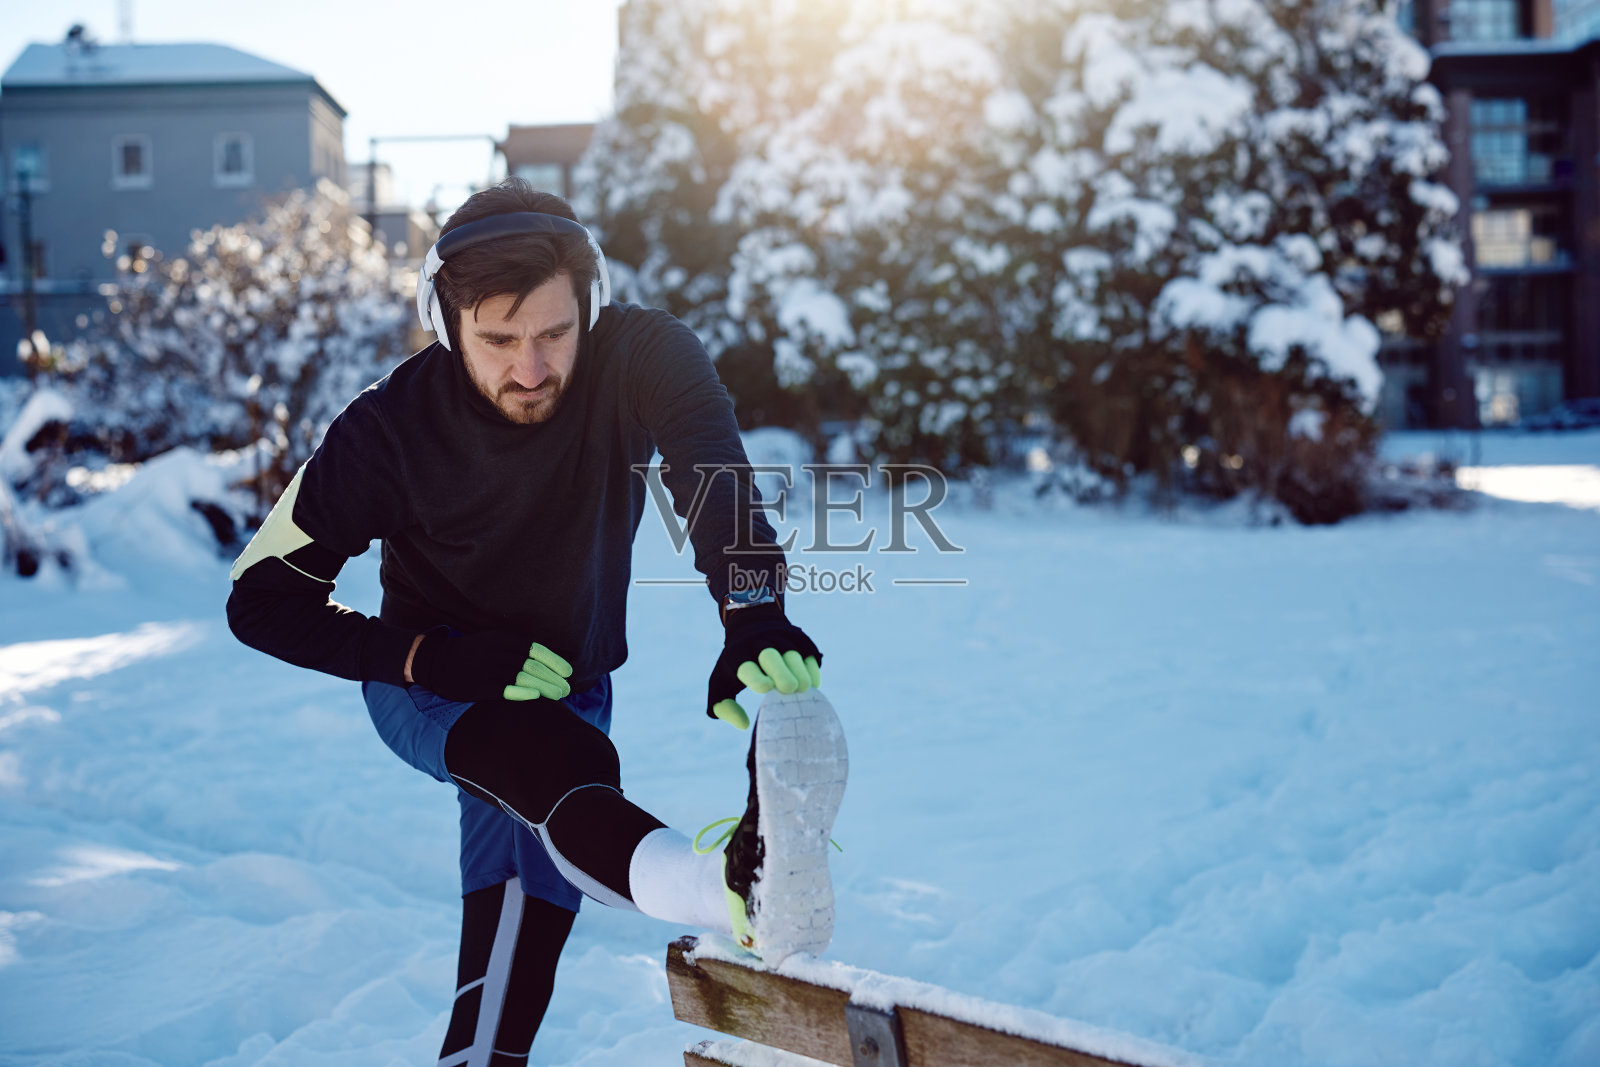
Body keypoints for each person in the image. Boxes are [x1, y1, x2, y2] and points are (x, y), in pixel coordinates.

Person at [226, 178, 847, 1067]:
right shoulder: (385, 432)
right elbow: (259, 598)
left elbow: (713, 472)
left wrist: (753, 613)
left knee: (526, 912)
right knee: (559, 768)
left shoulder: (641, 356)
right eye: (499, 340)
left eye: (555, 334)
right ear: (446, 324)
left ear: (587, 307)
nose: (531, 367)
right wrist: (424, 655)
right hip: (433, 685)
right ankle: (736, 883)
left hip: (573, 680)